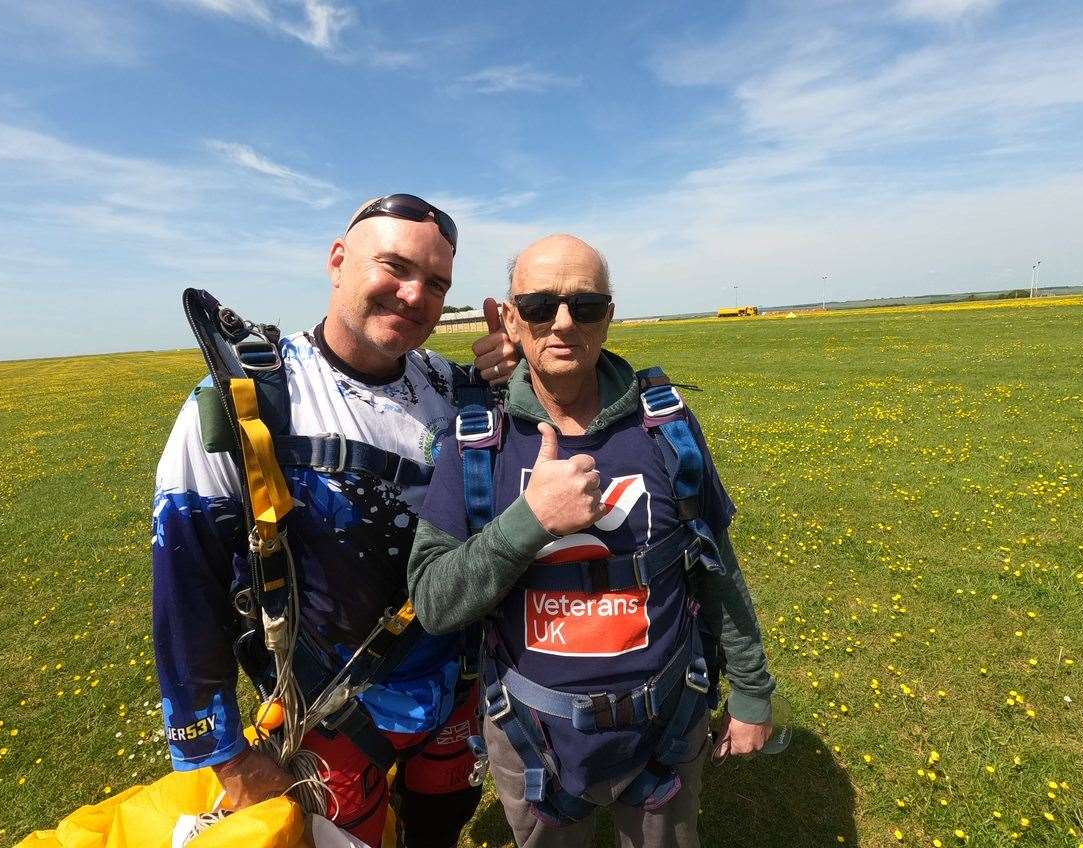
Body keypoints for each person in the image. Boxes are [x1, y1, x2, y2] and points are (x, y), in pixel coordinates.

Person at [152, 194, 519, 848]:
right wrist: (225, 756)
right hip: (325, 717)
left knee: (438, 827)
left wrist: (525, 388)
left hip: (455, 695)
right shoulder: (247, 400)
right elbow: (186, 583)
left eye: (435, 283)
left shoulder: (463, 393)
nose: (413, 294)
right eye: (394, 267)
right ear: (337, 261)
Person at [407, 234, 776, 847]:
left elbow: (716, 568)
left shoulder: (667, 427)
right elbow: (435, 602)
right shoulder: (478, 440)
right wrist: (531, 520)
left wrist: (752, 693)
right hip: (531, 737)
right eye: (538, 305)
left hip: (668, 722)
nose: (561, 323)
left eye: (585, 305)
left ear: (609, 316)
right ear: (511, 317)